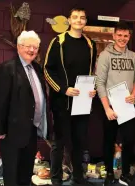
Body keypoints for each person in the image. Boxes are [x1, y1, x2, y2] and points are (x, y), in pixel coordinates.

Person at [44, 7, 97, 186]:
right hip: (62, 102)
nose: (79, 20)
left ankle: (78, 177)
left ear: (85, 21)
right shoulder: (58, 41)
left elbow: (91, 72)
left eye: (82, 18)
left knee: (79, 142)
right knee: (59, 143)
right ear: (69, 20)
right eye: (75, 17)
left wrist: (92, 88)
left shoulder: (90, 44)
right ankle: (56, 179)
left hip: (82, 103)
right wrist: (63, 89)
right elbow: (47, 70)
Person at [0, 30, 50, 186]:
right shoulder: (7, 68)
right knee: (12, 174)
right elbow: (0, 100)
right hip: (11, 132)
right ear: (18, 47)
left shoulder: (37, 68)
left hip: (31, 130)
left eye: (35, 47)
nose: (32, 50)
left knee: (25, 173)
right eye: (28, 46)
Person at [95, 22, 135, 186]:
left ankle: (126, 172)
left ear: (129, 37)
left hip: (128, 106)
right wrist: (107, 107)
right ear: (114, 36)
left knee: (129, 140)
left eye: (126, 35)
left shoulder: (134, 57)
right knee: (109, 139)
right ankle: (109, 172)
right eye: (119, 35)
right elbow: (100, 83)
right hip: (110, 107)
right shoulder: (105, 56)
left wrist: (134, 95)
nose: (122, 38)